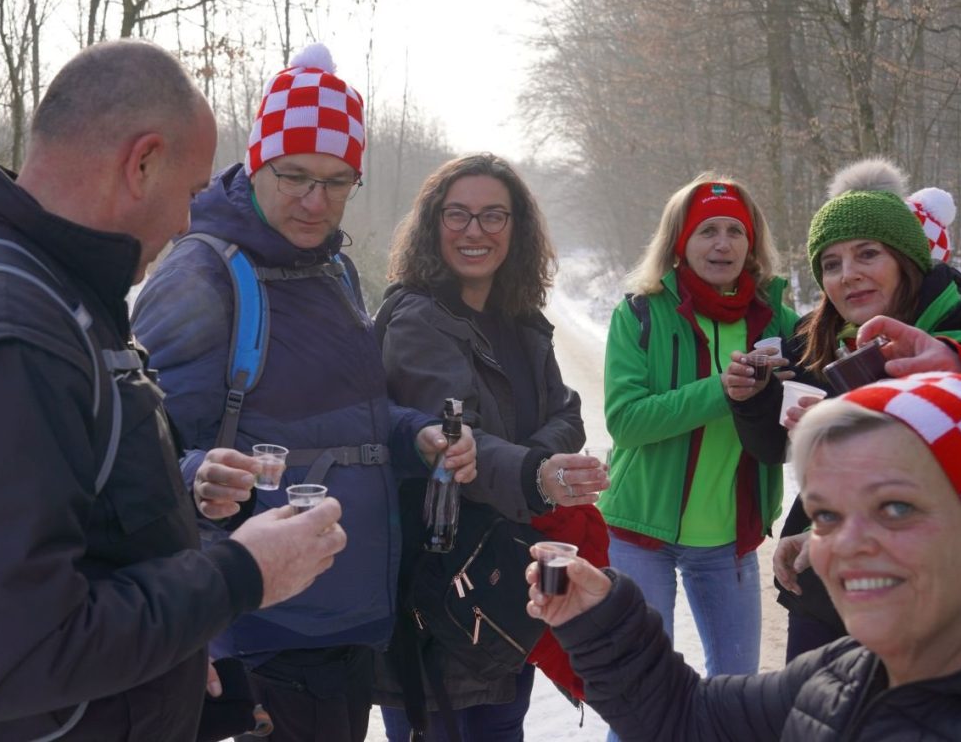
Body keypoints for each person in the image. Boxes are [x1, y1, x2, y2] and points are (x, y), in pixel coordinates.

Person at [0, 41, 349, 740]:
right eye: (193, 192)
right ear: (142, 162)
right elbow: (14, 657)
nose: (187, 223)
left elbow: (67, 523)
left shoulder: (52, 296)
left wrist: (171, 645)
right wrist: (242, 572)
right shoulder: (4, 333)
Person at [131, 43, 476, 742]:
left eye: (337, 180)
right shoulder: (203, 274)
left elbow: (357, 418)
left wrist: (415, 435)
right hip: (258, 629)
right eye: (294, 176)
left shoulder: (334, 271)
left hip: (344, 615)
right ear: (257, 162)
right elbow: (135, 454)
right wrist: (200, 474)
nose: (315, 201)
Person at [527, 371, 961, 740]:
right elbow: (687, 719)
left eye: (895, 508)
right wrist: (601, 619)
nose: (847, 545)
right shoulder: (846, 675)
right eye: (827, 516)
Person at [374, 153, 610, 741]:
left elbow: (568, 411)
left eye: (492, 216)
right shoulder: (415, 321)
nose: (475, 231)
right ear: (433, 226)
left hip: (506, 582)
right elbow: (456, 447)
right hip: (438, 592)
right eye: (458, 215)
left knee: (504, 727)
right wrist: (537, 473)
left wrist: (534, 461)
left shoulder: (521, 318)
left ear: (517, 228)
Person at [725, 157, 961, 660]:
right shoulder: (819, 335)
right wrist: (752, 400)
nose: (849, 276)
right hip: (823, 588)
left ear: (906, 259)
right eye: (831, 263)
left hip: (933, 599)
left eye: (867, 254)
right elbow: (770, 449)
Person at [598, 174, 797, 692]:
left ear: (752, 243)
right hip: (640, 533)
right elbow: (626, 420)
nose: (723, 243)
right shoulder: (639, 312)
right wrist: (721, 390)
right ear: (680, 242)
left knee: (735, 691)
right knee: (639, 691)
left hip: (728, 538)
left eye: (736, 230)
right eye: (708, 230)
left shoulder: (777, 317)